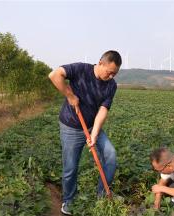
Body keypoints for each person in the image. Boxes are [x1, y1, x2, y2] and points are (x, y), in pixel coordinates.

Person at [48, 50, 122, 215]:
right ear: (100, 63)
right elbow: (54, 75)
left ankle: (102, 194)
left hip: (91, 126)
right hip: (71, 127)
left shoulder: (111, 85)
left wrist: (94, 134)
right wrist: (69, 95)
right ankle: (68, 201)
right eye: (109, 72)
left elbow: (103, 110)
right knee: (71, 167)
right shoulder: (80, 69)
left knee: (110, 154)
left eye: (114, 74)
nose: (111, 77)